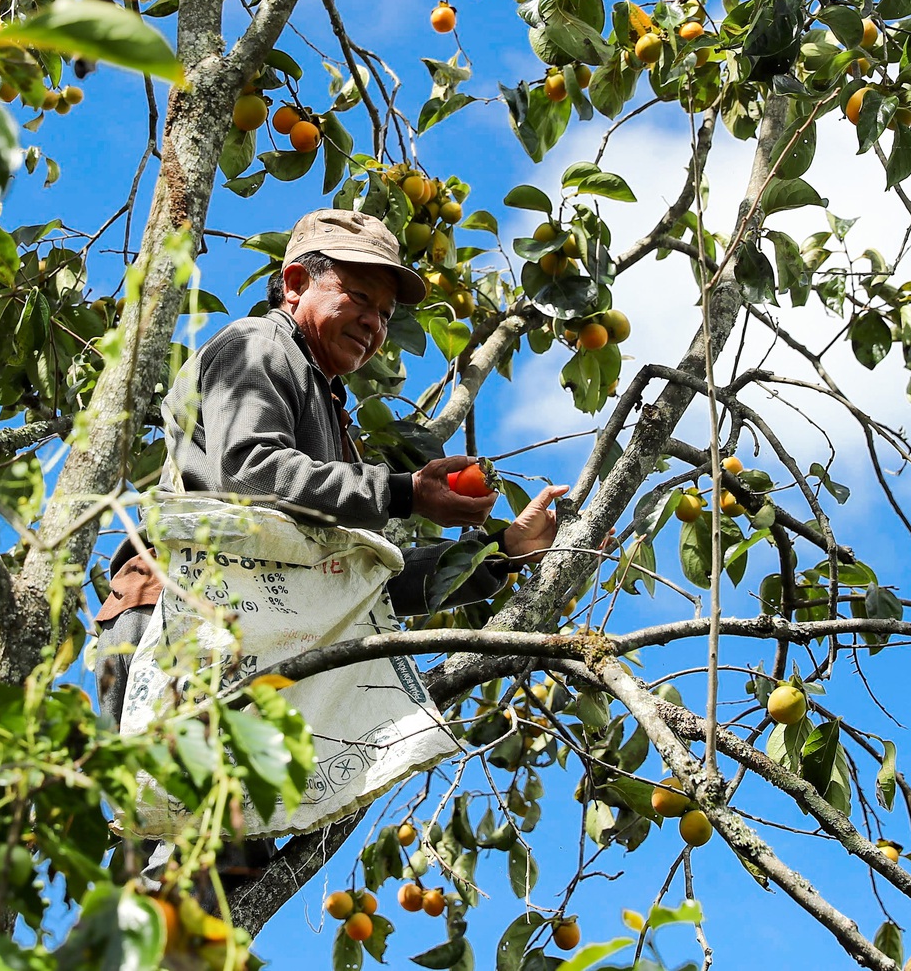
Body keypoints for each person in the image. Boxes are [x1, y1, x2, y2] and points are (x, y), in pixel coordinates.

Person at [94, 206, 568, 733]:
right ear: (295, 283)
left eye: (386, 314)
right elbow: (249, 472)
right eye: (360, 297)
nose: (374, 323)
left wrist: (502, 551)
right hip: (181, 619)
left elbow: (359, 586)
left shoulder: (331, 420)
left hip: (248, 633)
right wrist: (403, 492)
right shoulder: (258, 344)